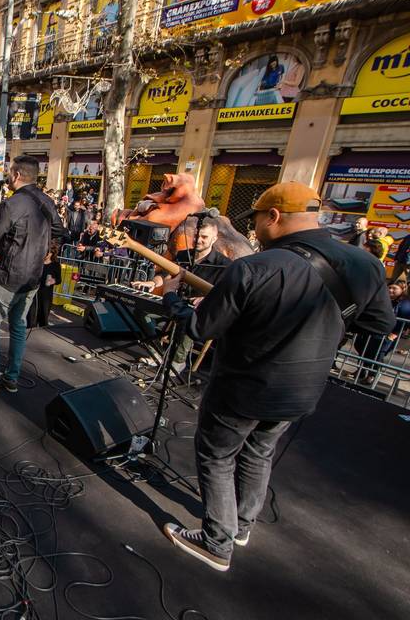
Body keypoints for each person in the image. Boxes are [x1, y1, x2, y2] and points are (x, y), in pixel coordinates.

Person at [159, 183, 394, 572]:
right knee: (259, 451)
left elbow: (200, 328)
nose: (254, 229)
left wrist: (171, 297)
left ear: (274, 216)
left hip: (244, 383)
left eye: (256, 220)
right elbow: (379, 324)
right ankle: (241, 526)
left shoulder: (254, 267)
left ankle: (217, 542)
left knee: (217, 455)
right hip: (303, 389)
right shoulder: (364, 263)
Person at [0, 155, 66, 395]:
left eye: (9, 172)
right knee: (18, 325)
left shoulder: (10, 205)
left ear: (17, 175)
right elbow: (61, 231)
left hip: (10, 277)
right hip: (33, 277)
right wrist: (44, 250)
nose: (7, 176)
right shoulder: (46, 201)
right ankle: (11, 378)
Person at [27, 243, 61, 328]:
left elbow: (59, 279)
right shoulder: (37, 262)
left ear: (51, 253)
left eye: (47, 252)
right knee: (31, 318)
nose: (45, 253)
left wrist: (53, 280)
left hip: (46, 295)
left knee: (43, 318)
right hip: (34, 293)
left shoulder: (56, 265)